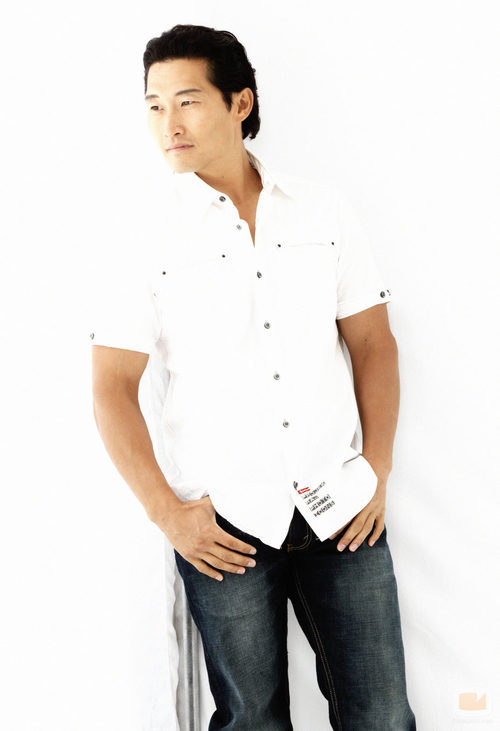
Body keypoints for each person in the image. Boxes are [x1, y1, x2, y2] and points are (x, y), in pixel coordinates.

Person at [91, 23, 417, 731]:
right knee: (250, 720)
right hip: (223, 524)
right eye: (153, 106)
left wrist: (378, 469)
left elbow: (373, 344)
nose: (168, 124)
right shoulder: (142, 232)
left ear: (240, 103)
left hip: (341, 507)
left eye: (187, 101)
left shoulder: (323, 210)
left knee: (384, 715)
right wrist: (167, 513)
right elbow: (111, 386)